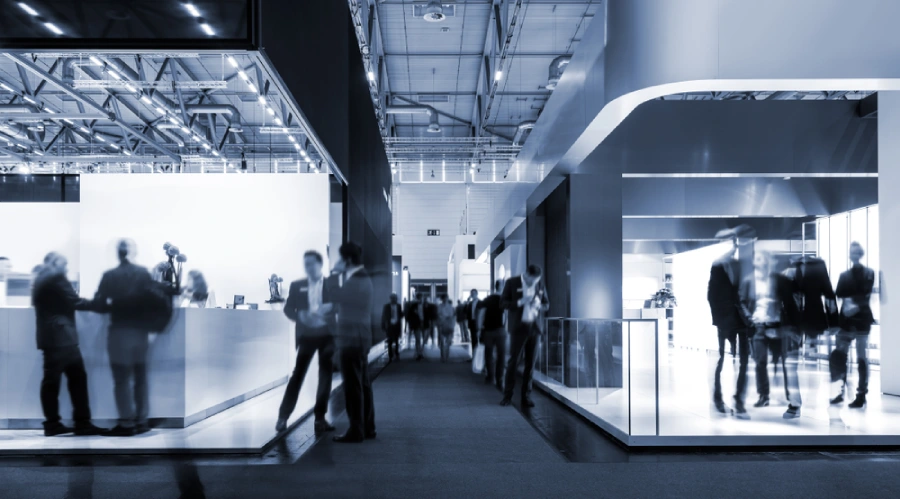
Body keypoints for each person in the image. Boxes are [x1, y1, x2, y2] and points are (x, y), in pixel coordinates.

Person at [31, 253, 105, 437]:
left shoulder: (40, 278)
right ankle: (82, 423)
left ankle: (52, 424)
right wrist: (101, 304)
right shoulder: (56, 277)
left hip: (49, 337)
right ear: (55, 263)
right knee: (77, 379)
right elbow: (76, 301)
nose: (66, 268)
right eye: (64, 264)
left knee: (51, 382)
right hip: (63, 338)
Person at [92, 240, 154, 437]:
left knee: (121, 380)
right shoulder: (144, 273)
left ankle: (126, 423)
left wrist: (114, 305)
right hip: (141, 332)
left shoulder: (109, 276)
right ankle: (142, 421)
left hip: (119, 332)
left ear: (118, 254)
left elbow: (99, 304)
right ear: (133, 253)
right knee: (140, 378)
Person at [275, 250, 337, 434]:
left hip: (327, 335)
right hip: (307, 335)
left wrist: (331, 309)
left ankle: (320, 418)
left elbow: (340, 305)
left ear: (320, 264)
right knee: (298, 374)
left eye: (311, 263)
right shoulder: (297, 285)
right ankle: (283, 416)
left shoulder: (332, 285)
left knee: (325, 375)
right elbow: (288, 309)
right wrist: (301, 316)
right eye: (305, 264)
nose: (308, 267)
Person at [739, 251, 801, 418]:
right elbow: (742, 302)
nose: (759, 262)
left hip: (778, 327)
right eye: (757, 259)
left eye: (761, 259)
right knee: (760, 362)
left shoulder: (778, 280)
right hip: (758, 326)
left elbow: (790, 303)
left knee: (786, 365)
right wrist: (749, 318)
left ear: (767, 262)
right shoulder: (749, 281)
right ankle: (763, 395)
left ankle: (794, 403)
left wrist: (795, 327)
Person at [329, 242, 376, 443]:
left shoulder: (355, 281)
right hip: (360, 337)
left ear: (347, 260)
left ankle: (356, 429)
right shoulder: (363, 278)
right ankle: (367, 427)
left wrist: (333, 273)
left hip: (352, 339)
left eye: (340, 259)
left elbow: (333, 296)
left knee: (353, 386)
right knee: (362, 383)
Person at [707, 225, 754, 418]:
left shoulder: (739, 266)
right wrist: (721, 320)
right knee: (722, 360)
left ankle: (739, 400)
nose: (734, 246)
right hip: (725, 321)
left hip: (742, 321)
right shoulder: (718, 267)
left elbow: (745, 293)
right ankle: (718, 398)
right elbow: (712, 296)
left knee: (744, 361)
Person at [830, 242, 876, 409]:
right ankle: (838, 392)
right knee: (839, 355)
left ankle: (861, 394)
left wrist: (852, 304)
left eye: (857, 251)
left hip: (861, 319)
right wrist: (852, 304)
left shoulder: (869, 273)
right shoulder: (844, 275)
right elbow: (840, 294)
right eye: (852, 251)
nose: (854, 254)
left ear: (860, 253)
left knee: (861, 357)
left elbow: (864, 294)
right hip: (847, 320)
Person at [500, 265, 549, 407]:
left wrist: (539, 305)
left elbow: (547, 304)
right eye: (531, 280)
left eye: (536, 281)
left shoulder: (539, 284)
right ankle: (507, 396)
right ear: (526, 275)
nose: (533, 283)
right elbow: (502, 303)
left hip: (535, 329)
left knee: (530, 365)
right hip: (518, 329)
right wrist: (520, 302)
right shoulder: (512, 282)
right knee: (513, 363)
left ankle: (526, 397)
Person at [479, 280, 507, 390]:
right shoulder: (504, 300)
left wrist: (480, 328)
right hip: (500, 330)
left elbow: (482, 314)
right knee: (501, 355)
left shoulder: (487, 300)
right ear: (501, 287)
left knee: (488, 354)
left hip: (488, 331)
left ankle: (490, 377)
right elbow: (506, 316)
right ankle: (499, 379)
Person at [382, 293, 404, 361]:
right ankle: (390, 356)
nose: (394, 299)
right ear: (390, 299)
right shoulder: (386, 306)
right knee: (390, 341)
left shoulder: (399, 306)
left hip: (397, 325)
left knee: (397, 341)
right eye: (393, 298)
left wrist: (404, 313)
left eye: (395, 298)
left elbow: (401, 315)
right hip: (389, 326)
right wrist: (383, 325)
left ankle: (397, 354)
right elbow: (383, 316)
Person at [437, 294, 456, 362]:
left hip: (449, 325)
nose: (445, 300)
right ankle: (443, 356)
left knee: (448, 341)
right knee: (442, 341)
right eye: (444, 298)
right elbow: (438, 315)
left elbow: (453, 316)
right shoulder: (440, 306)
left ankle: (446, 356)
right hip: (442, 325)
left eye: (446, 298)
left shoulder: (451, 307)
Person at [406, 294, 425, 360]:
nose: (421, 300)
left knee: (420, 339)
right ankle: (418, 353)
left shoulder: (422, 306)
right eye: (420, 298)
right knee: (418, 339)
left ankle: (419, 352)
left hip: (421, 324)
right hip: (417, 324)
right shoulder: (414, 306)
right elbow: (410, 315)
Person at [466, 289, 481, 355]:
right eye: (471, 293)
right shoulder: (470, 303)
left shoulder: (481, 302)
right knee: (473, 340)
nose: (472, 295)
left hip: (479, 322)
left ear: (477, 294)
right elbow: (465, 311)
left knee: (480, 339)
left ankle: (480, 356)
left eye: (474, 293)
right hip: (472, 322)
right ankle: (474, 355)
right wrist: (467, 301)